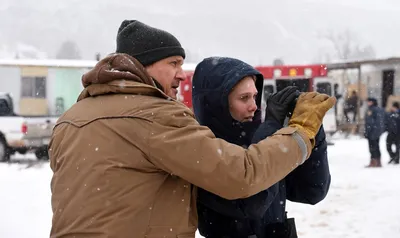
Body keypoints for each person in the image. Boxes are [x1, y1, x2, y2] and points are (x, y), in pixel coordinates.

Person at [48, 20, 336, 238]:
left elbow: (312, 189)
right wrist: (300, 130)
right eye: (173, 63)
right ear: (143, 65)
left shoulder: (72, 118)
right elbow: (242, 177)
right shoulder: (156, 116)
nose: (181, 74)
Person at [192, 57, 330, 238]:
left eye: (255, 96)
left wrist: (312, 131)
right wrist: (271, 126)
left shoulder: (263, 140)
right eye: (244, 98)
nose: (254, 106)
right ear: (216, 103)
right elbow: (252, 202)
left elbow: (311, 191)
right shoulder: (201, 148)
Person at [364, 97, 385, 167]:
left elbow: (370, 122)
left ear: (372, 102)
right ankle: (378, 162)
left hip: (372, 132)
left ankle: (374, 162)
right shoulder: (379, 109)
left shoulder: (371, 110)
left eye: (369, 101)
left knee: (372, 147)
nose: (368, 103)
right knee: (376, 147)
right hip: (377, 132)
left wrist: (367, 132)